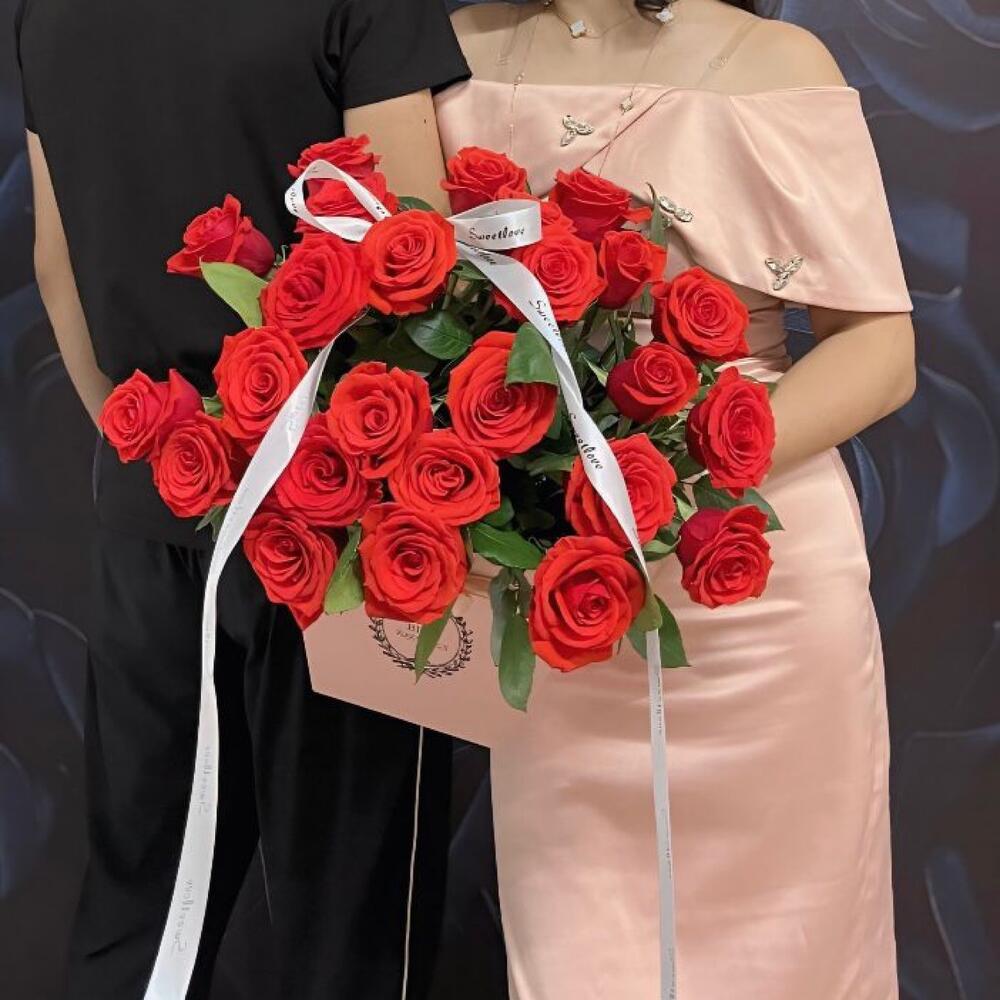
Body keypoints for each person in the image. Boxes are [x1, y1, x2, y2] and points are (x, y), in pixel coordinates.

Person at [438, 1, 915, 997]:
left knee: (791, 954)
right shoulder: (446, 58)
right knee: (578, 953)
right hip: (560, 610)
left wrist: (674, 471)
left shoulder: (778, 60)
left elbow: (880, 349)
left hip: (758, 600)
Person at [14, 1, 469, 997]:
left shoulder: (47, 12)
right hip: (338, 526)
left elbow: (57, 265)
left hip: (158, 506)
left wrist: (155, 447)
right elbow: (414, 262)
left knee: (140, 913)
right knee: (351, 925)